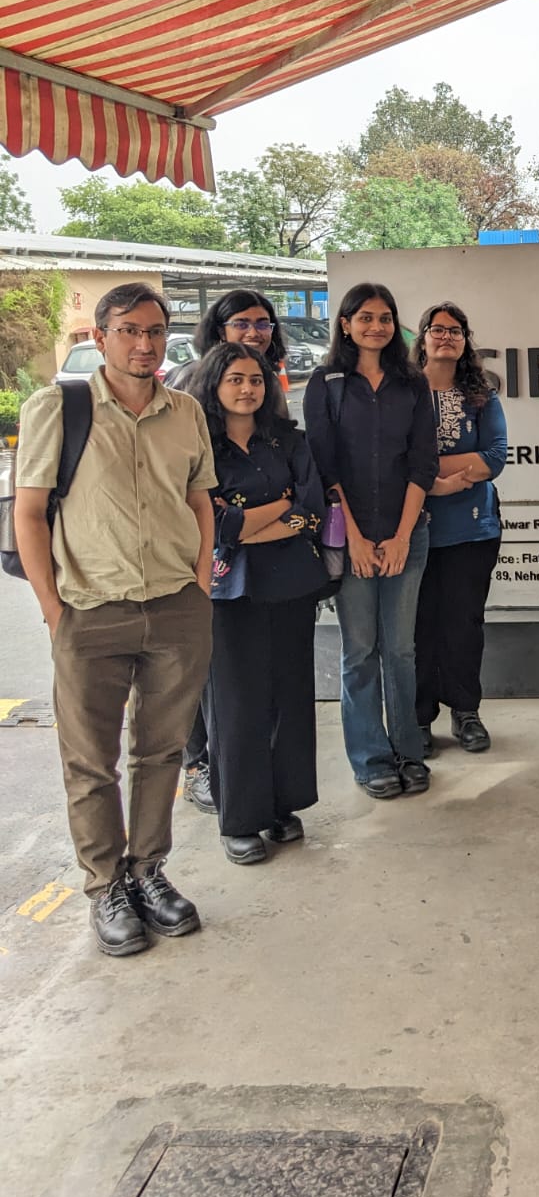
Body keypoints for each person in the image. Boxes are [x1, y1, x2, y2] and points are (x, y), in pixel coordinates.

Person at [13, 282, 215, 958]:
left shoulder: (185, 410)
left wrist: (200, 581)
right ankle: (105, 886)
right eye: (129, 330)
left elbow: (199, 499)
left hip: (175, 605)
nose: (144, 344)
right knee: (90, 761)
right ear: (99, 337)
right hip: (90, 610)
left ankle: (147, 870)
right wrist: (53, 609)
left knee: (161, 751)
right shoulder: (57, 408)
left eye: (154, 331)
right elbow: (29, 513)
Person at [191, 343, 328, 864]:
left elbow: (311, 509)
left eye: (255, 379)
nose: (247, 388)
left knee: (288, 698)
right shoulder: (200, 448)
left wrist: (247, 526)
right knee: (235, 705)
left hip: (291, 584)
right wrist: (278, 509)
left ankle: (281, 805)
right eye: (235, 379)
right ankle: (241, 820)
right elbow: (213, 525)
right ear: (214, 384)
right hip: (227, 593)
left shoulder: (289, 440)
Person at [305, 283, 438, 799]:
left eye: (385, 318)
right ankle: (370, 759)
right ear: (345, 324)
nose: (376, 327)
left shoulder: (412, 383)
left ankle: (409, 751)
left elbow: (423, 463)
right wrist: (356, 541)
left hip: (407, 534)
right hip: (350, 537)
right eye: (365, 317)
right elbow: (325, 467)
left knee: (400, 650)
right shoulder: (326, 383)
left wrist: (402, 536)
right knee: (360, 651)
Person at [173, 288, 290, 817]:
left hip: (258, 561)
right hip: (198, 553)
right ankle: (197, 764)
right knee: (203, 672)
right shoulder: (190, 383)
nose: (254, 331)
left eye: (263, 323)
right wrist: (244, 523)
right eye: (242, 322)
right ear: (218, 330)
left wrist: (273, 515)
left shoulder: (269, 382)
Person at [414, 302, 507, 755]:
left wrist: (425, 470)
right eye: (438, 329)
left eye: (455, 331)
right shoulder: (402, 393)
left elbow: (494, 458)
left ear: (466, 340)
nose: (446, 337)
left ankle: (466, 712)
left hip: (472, 532)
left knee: (464, 624)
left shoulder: (482, 395)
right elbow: (391, 458)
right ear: (423, 337)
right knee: (417, 628)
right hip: (411, 531)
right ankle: (418, 718)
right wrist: (439, 476)